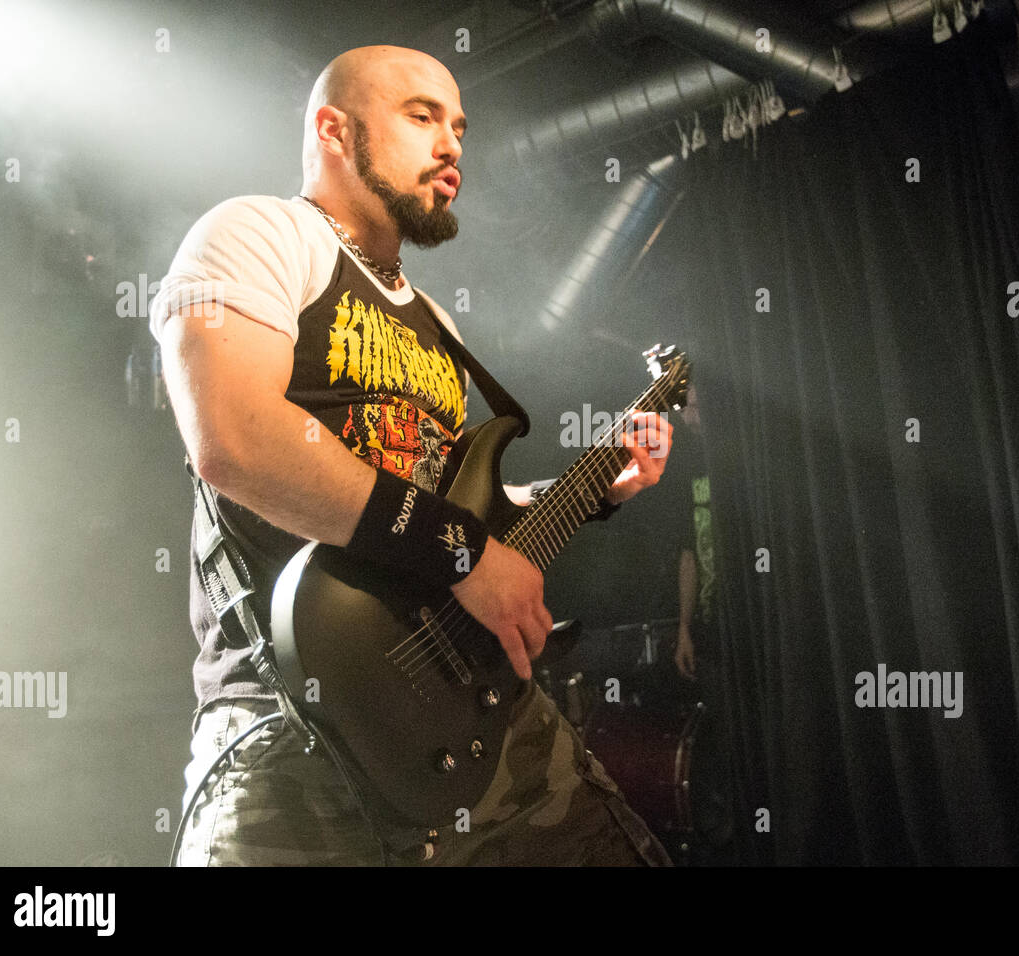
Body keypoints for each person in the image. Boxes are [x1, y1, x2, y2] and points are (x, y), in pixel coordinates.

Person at [150, 45, 675, 865]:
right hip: (297, 722)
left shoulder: (439, 326)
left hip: (471, 719)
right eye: (421, 115)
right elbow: (236, 439)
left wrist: (596, 485)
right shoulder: (258, 233)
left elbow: (453, 512)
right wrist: (463, 553)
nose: (452, 143)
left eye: (460, 125)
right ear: (333, 129)